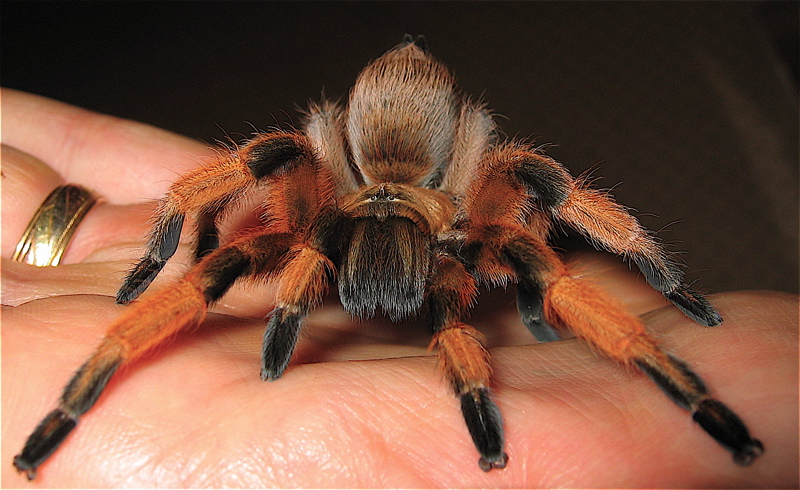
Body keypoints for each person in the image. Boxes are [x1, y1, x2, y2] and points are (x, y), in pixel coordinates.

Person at [2, 88, 797, 487]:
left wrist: (659, 282)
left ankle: (692, 393)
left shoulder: (473, 230)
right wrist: (170, 248)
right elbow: (209, 183)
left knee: (532, 197)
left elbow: (551, 201)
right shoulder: (310, 218)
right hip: (353, 198)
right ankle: (69, 410)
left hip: (436, 205)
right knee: (262, 171)